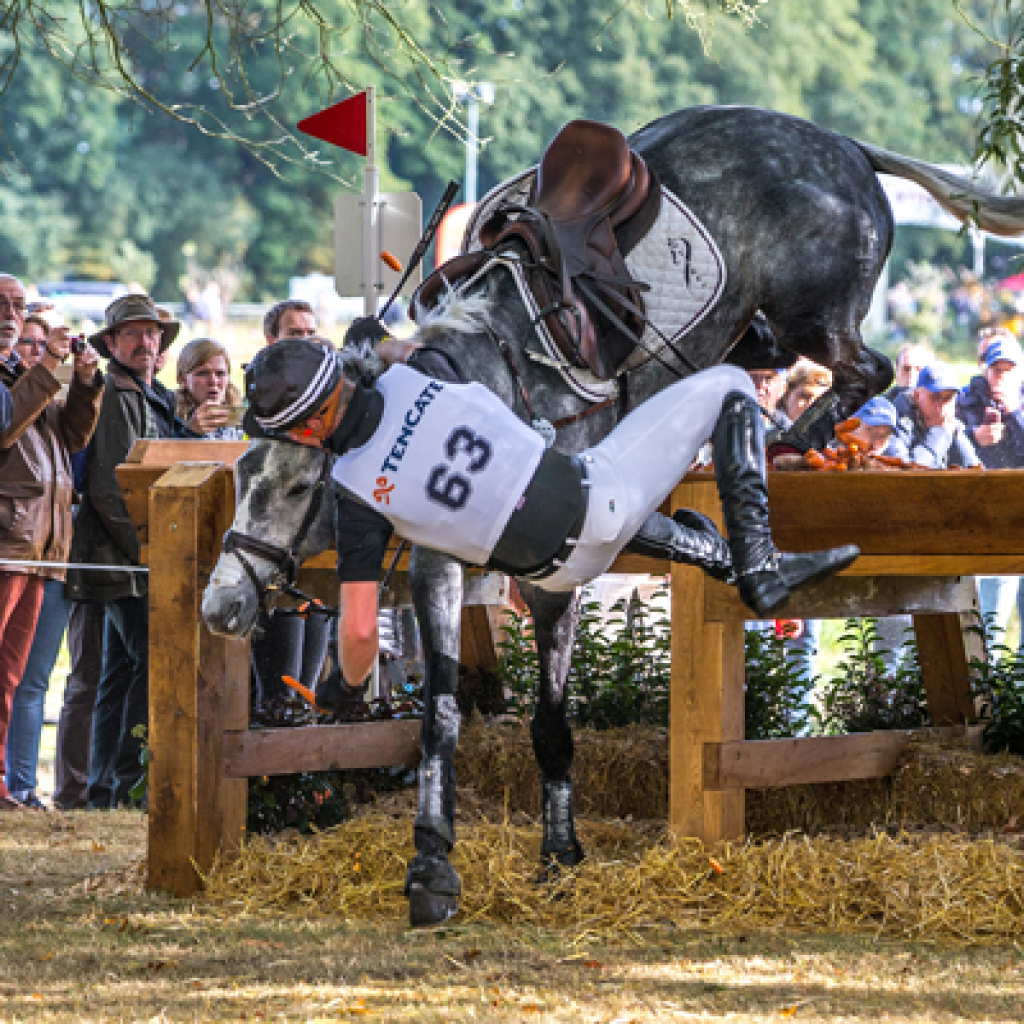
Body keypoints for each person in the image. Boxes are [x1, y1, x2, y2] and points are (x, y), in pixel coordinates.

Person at [241, 335, 859, 711]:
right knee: (728, 385)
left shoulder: (354, 497)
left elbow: (356, 638)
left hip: (549, 570)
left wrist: (344, 691)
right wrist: (375, 343)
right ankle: (759, 568)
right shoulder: (416, 370)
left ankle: (713, 551)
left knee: (587, 503)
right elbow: (399, 351)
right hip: (593, 503)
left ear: (303, 430)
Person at [65, 294, 185, 808]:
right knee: (150, 662)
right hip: (125, 557)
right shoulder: (116, 393)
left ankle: (105, 789)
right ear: (111, 344)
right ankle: (130, 783)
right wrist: (150, 550)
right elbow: (110, 487)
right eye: (133, 334)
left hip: (133, 559)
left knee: (118, 671)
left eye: (153, 333)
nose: (146, 342)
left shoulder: (151, 393)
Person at [0, 275, 103, 811]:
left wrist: (83, 383)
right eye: (5, 306)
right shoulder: (21, 381)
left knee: (12, 675)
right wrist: (45, 373)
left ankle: (1, 783)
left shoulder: (28, 380)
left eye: (18, 306)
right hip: (9, 539)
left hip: (42, 546)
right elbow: (4, 428)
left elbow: (74, 439)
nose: (11, 315)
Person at [957, 333, 1024, 642]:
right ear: (985, 369)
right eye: (996, 369)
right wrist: (975, 436)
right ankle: (983, 682)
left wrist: (1016, 415)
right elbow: (946, 443)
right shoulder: (965, 399)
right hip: (977, 516)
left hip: (1017, 515)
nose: (1001, 376)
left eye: (1009, 369)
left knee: (1006, 614)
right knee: (980, 620)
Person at [890, 362, 980, 469]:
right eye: (935, 397)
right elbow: (906, 472)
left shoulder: (951, 425)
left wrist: (955, 435)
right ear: (917, 395)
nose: (941, 405)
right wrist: (939, 433)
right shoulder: (895, 421)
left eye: (948, 398)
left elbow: (976, 471)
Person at [175, 337, 244, 440]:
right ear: (182, 379)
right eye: (203, 373)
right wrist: (190, 433)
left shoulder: (240, 417)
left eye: (220, 374)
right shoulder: (169, 418)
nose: (213, 381)